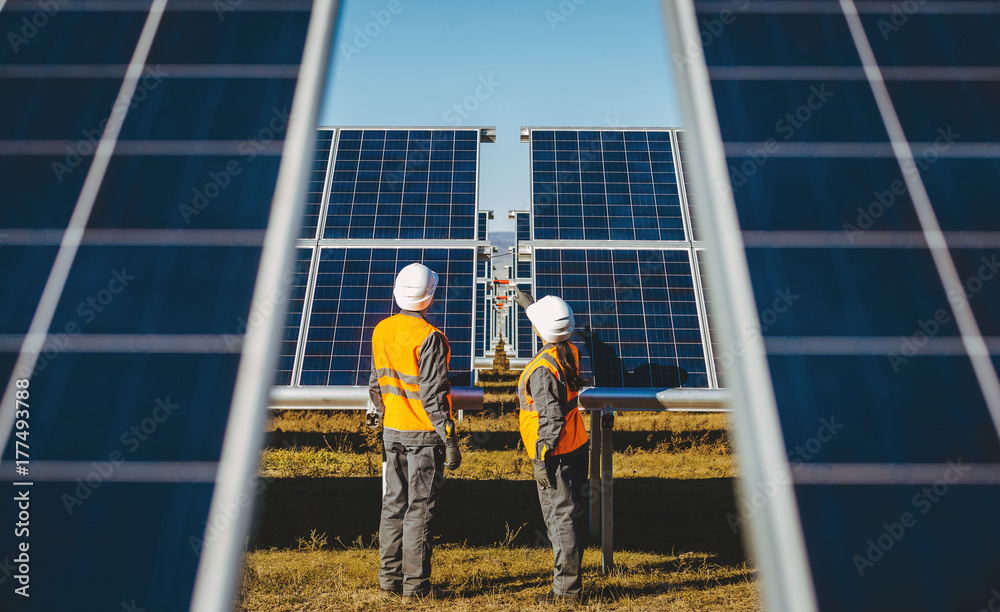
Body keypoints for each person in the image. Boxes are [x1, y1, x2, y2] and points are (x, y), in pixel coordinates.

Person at [368, 262, 461, 601]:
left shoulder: (382, 329)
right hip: (423, 436)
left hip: (392, 430)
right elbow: (434, 396)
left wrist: (383, 414)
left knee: (392, 506)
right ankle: (415, 588)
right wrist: (450, 439)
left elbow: (376, 382)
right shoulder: (430, 337)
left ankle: (388, 582)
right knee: (419, 510)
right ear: (430, 296)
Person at [512, 287, 590, 604]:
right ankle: (567, 586)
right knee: (569, 516)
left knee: (561, 521)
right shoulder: (568, 350)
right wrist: (531, 306)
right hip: (574, 444)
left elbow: (551, 418)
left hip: (554, 454)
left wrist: (540, 459)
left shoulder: (543, 369)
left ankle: (566, 593)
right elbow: (552, 328)